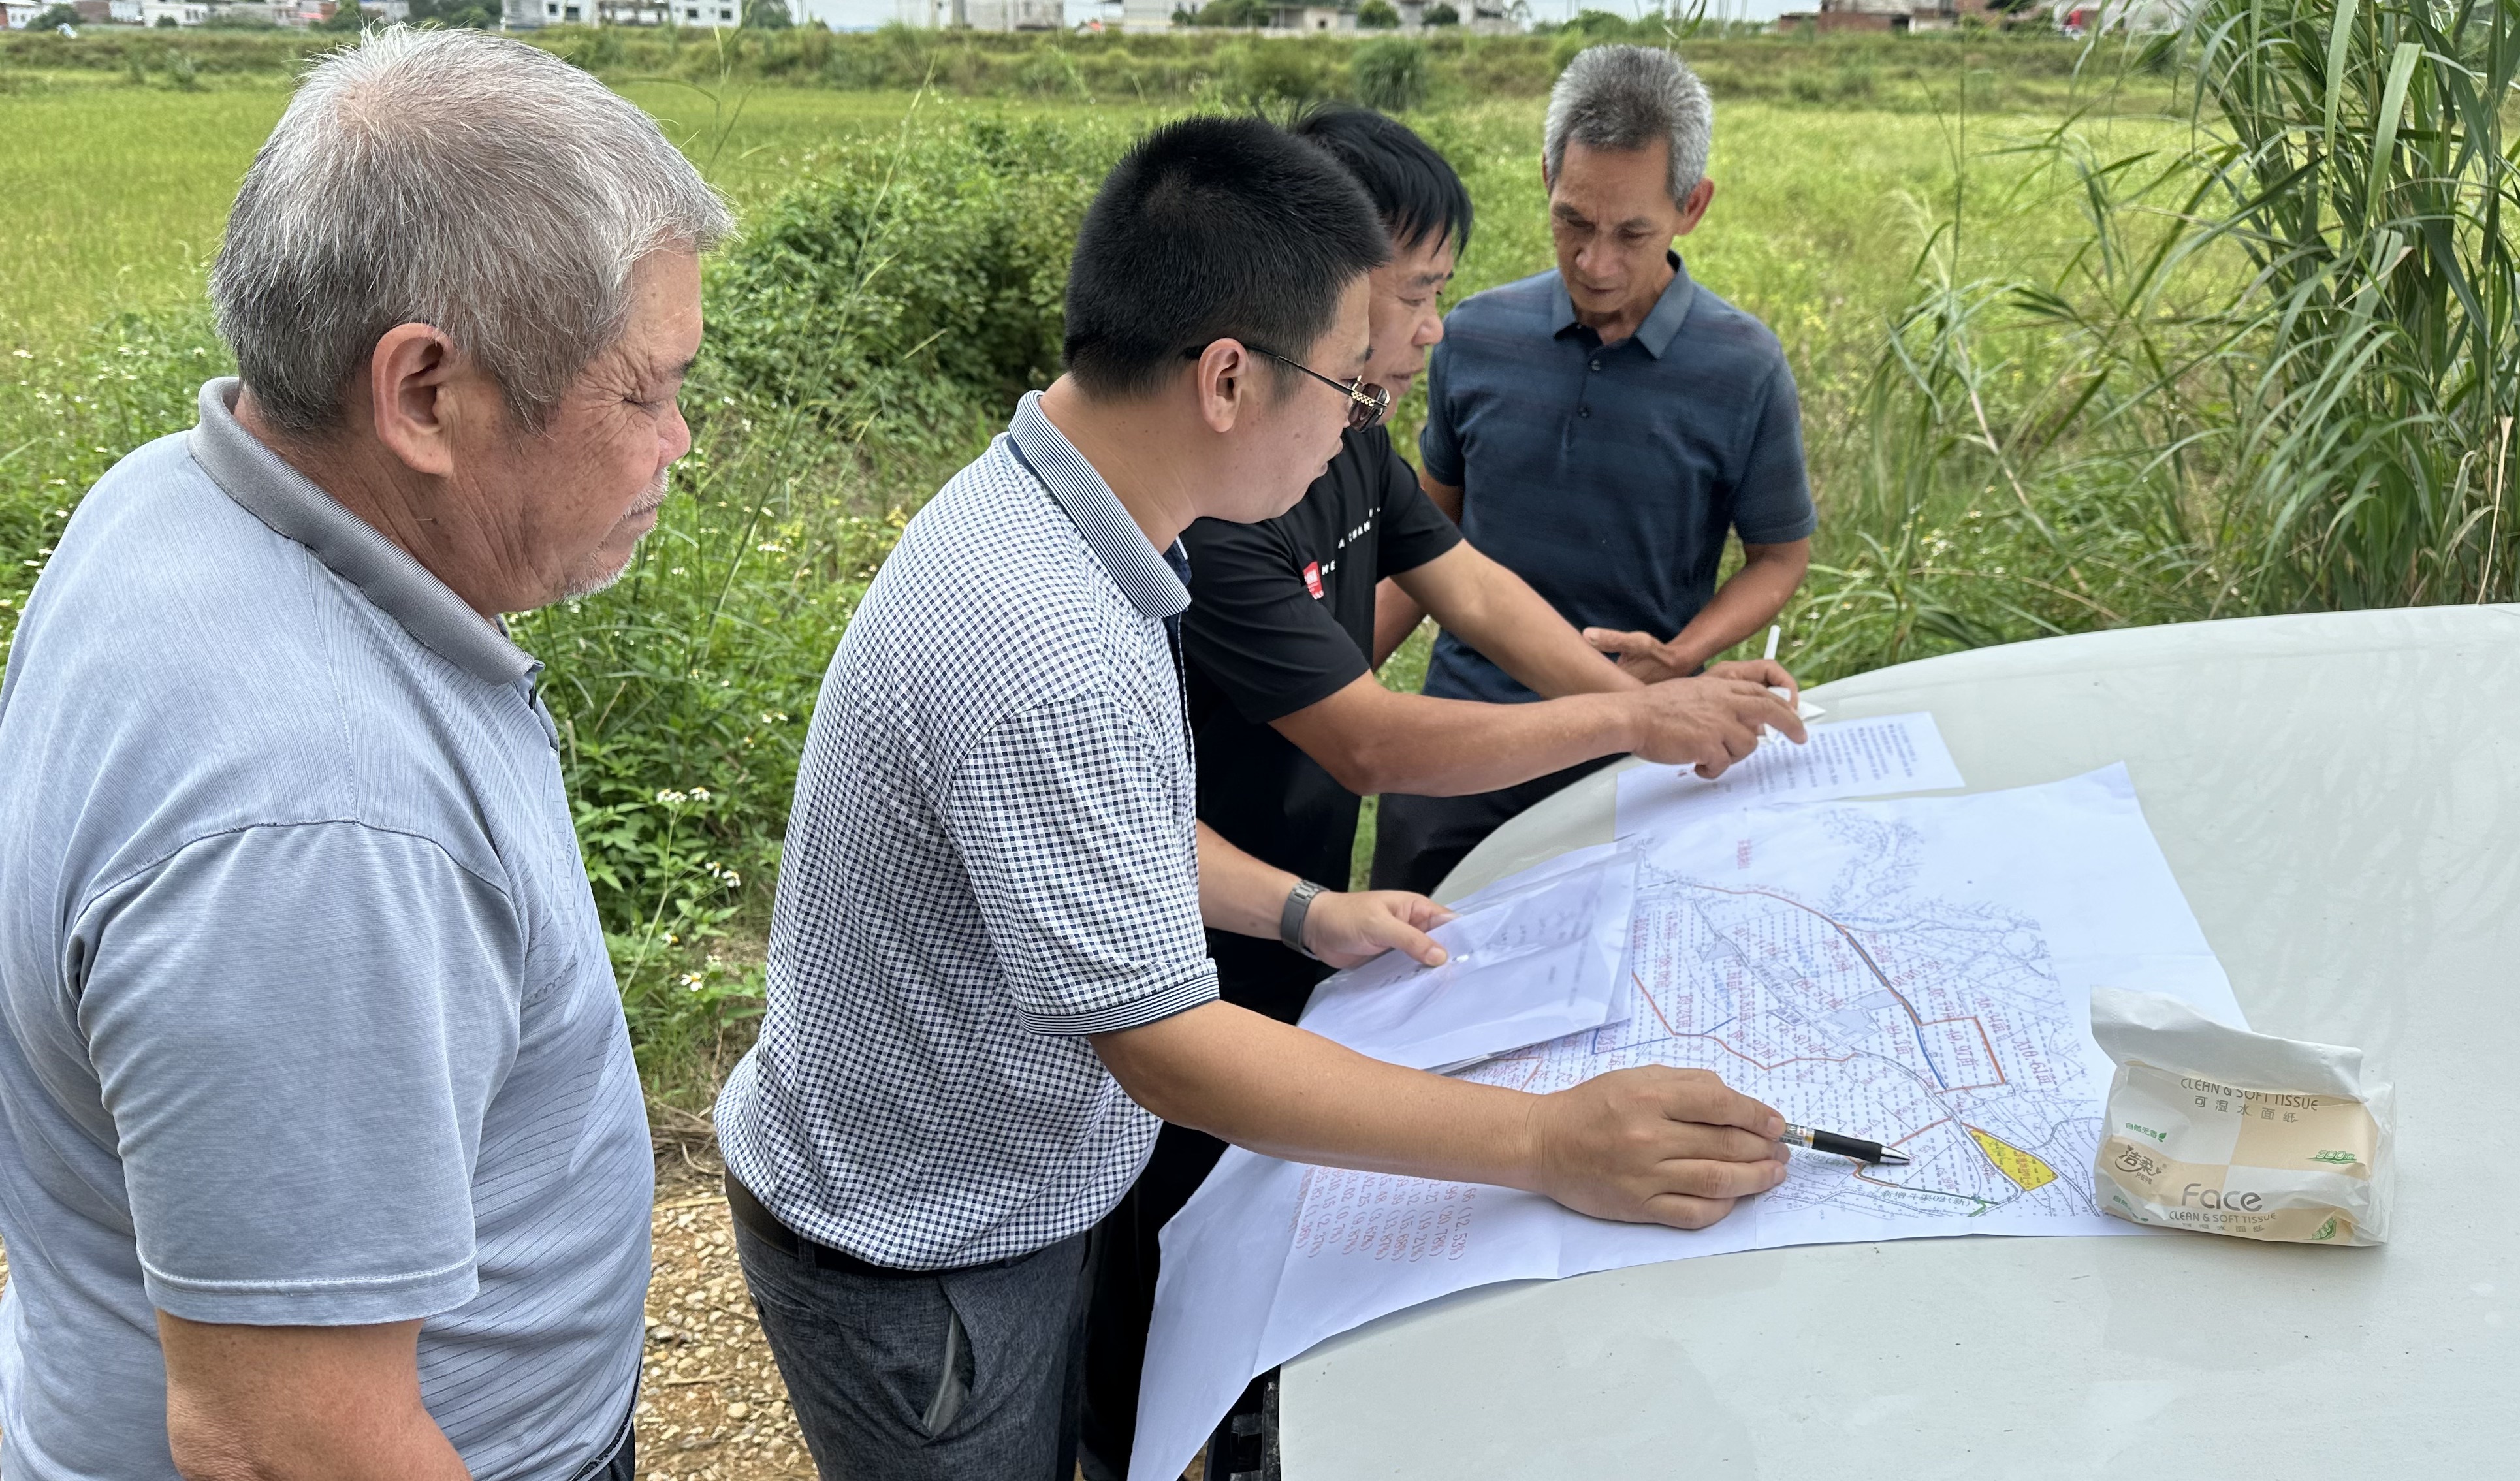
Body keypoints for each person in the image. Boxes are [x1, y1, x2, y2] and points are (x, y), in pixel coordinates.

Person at [712, 116, 1794, 1481]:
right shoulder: (1048, 636)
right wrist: (1547, 1141)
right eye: (1349, 387)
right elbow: (1167, 1049)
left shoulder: (1076, 521)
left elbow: (1107, 826)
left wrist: (1300, 910)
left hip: (1008, 1185)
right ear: (1227, 379)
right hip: (929, 1246)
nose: (1361, 420)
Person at [0, 29, 728, 1481]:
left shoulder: (172, 494)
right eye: (644, 391)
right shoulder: (319, 828)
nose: (680, 442)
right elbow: (281, 1443)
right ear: (424, 395)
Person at [1076, 104, 1808, 1479]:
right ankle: (1143, 1435)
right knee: (1161, 1205)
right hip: (1174, 919)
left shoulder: (1341, 435)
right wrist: (1633, 717)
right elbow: (1370, 742)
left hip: (1274, 890)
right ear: (1312, 295)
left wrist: (1645, 713)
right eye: (1408, 299)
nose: (1427, 334)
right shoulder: (1212, 502)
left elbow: (1464, 580)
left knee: (1257, 1191)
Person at [1371, 44, 1819, 896]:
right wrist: (1326, 689)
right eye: (1573, 222)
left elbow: (1779, 557)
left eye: (1632, 233)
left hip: (1639, 749)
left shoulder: (1744, 368)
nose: (1595, 263)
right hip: (1464, 743)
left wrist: (1679, 657)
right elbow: (1427, 535)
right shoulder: (1472, 337)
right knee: (1405, 949)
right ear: (1547, 178)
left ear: (1692, 206)